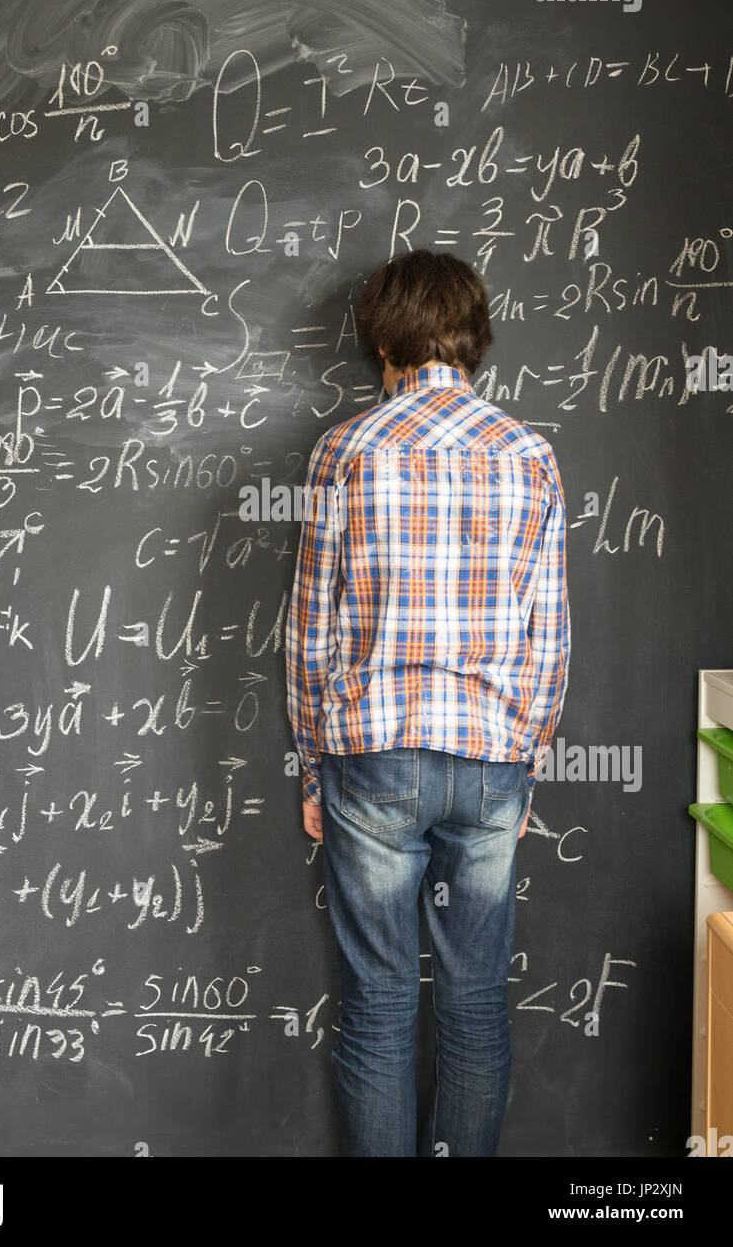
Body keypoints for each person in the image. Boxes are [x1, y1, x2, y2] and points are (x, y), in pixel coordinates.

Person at [284, 249, 571, 1157]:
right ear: (472, 336)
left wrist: (309, 762)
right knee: (476, 1000)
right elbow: (549, 637)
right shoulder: (529, 455)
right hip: (488, 759)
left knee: (375, 999)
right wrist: (527, 761)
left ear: (383, 340)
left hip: (369, 759)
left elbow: (308, 628)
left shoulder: (346, 451)